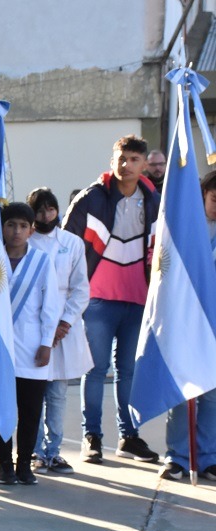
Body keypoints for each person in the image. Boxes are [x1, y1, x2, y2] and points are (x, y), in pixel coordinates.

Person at [63, 135, 161, 464]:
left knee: (129, 370)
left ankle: (128, 437)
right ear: (112, 160)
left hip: (138, 300)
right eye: (121, 158)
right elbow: (66, 246)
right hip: (98, 299)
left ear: (144, 164)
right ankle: (92, 436)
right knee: (94, 370)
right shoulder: (91, 198)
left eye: (134, 159)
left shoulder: (154, 199)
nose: (126, 165)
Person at [27, 188, 93, 475]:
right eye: (39, 210)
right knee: (33, 392)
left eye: (50, 209)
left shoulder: (72, 242)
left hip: (64, 328)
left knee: (57, 393)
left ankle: (54, 451)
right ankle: (35, 450)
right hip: (31, 324)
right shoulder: (25, 241)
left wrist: (64, 323)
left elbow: (81, 288)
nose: (45, 215)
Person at [0, 203, 62, 485]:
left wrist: (47, 342)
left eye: (23, 226)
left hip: (32, 345)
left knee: (31, 409)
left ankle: (24, 463)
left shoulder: (42, 260)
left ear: (31, 229)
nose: (17, 231)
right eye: (11, 225)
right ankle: (4, 464)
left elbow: (51, 306)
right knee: (1, 408)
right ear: (2, 227)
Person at [160, 170, 216, 481]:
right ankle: (177, 456)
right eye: (214, 199)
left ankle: (208, 457)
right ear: (203, 195)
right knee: (183, 391)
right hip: (185, 319)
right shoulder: (187, 228)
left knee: (212, 394)